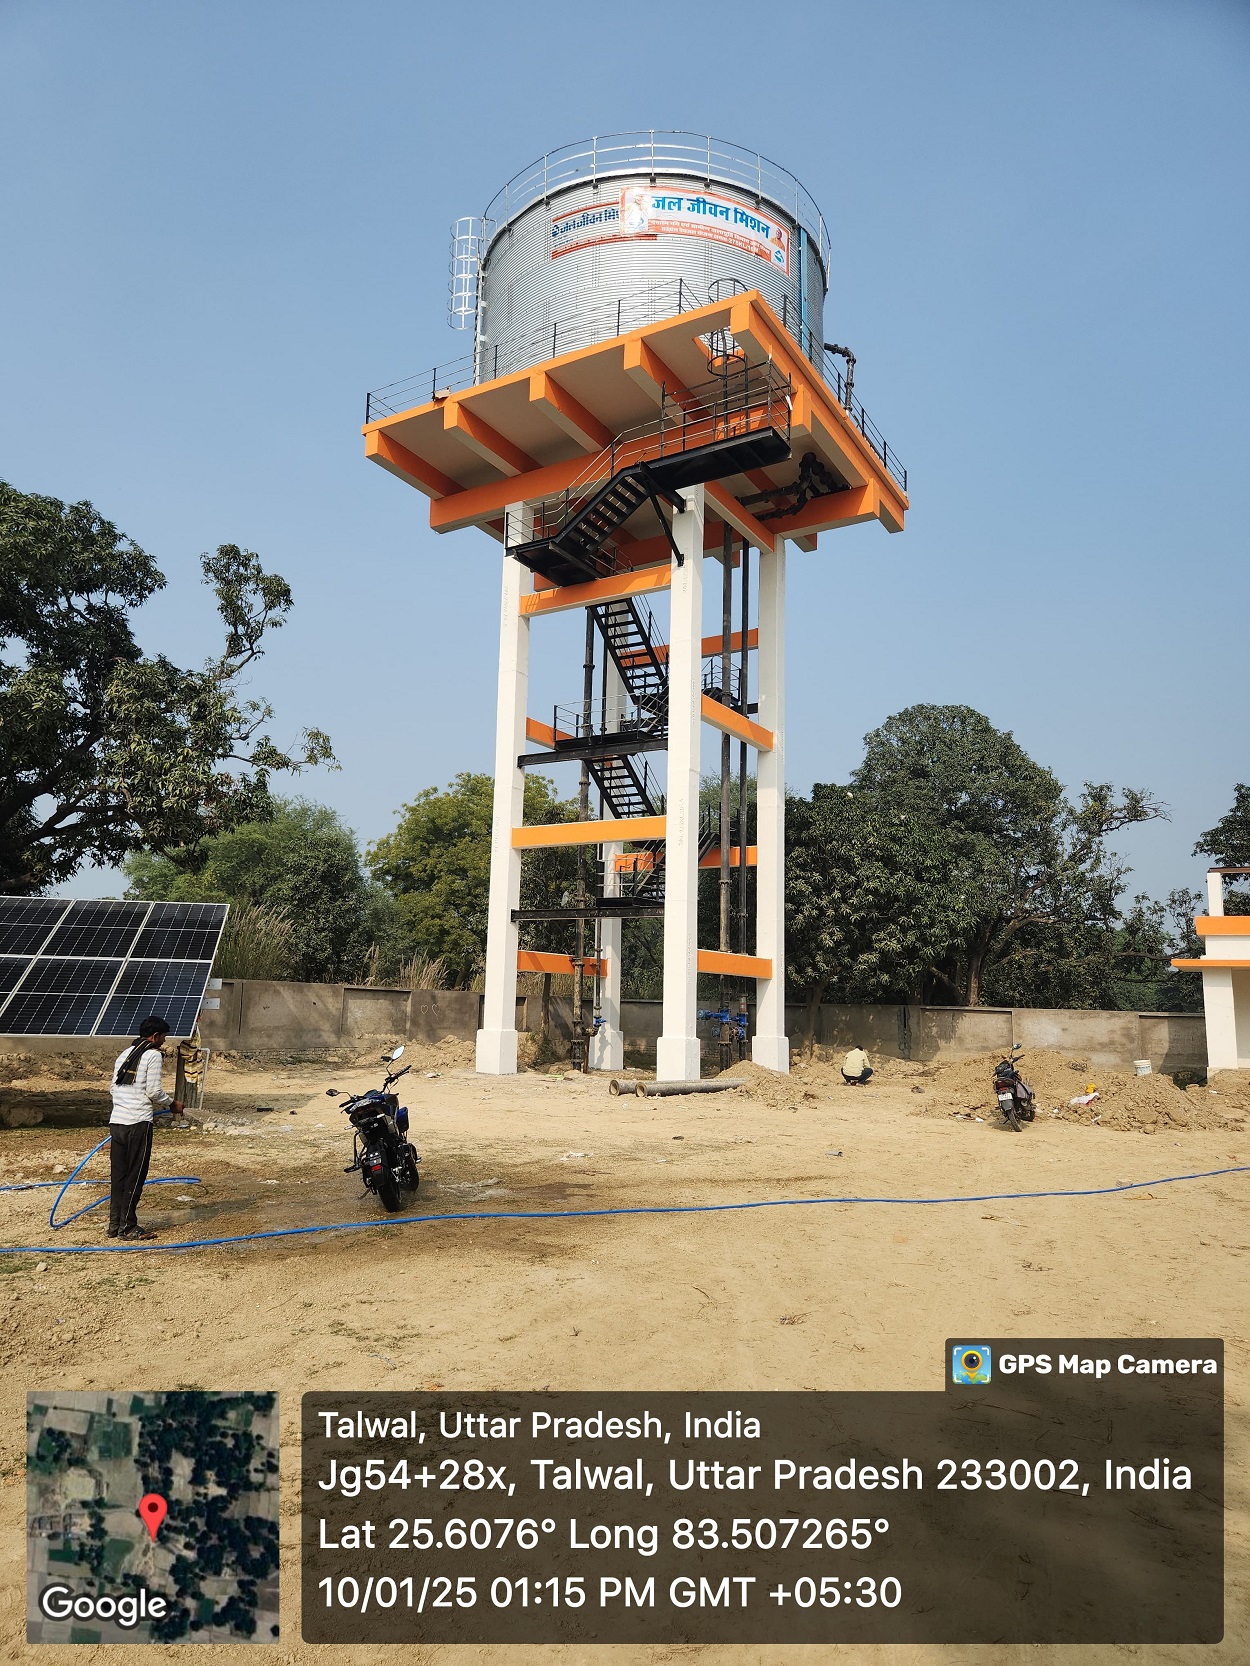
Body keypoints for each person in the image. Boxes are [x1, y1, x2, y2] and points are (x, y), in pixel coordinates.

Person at [108, 1015, 183, 1240]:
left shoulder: (125, 1054)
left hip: (117, 1123)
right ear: (155, 1036)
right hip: (138, 1124)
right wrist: (172, 1104)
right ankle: (128, 1228)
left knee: (119, 1177)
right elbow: (153, 1091)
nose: (164, 1041)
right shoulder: (152, 1055)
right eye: (163, 1037)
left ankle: (114, 1225)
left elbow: (113, 1088)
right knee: (135, 1175)